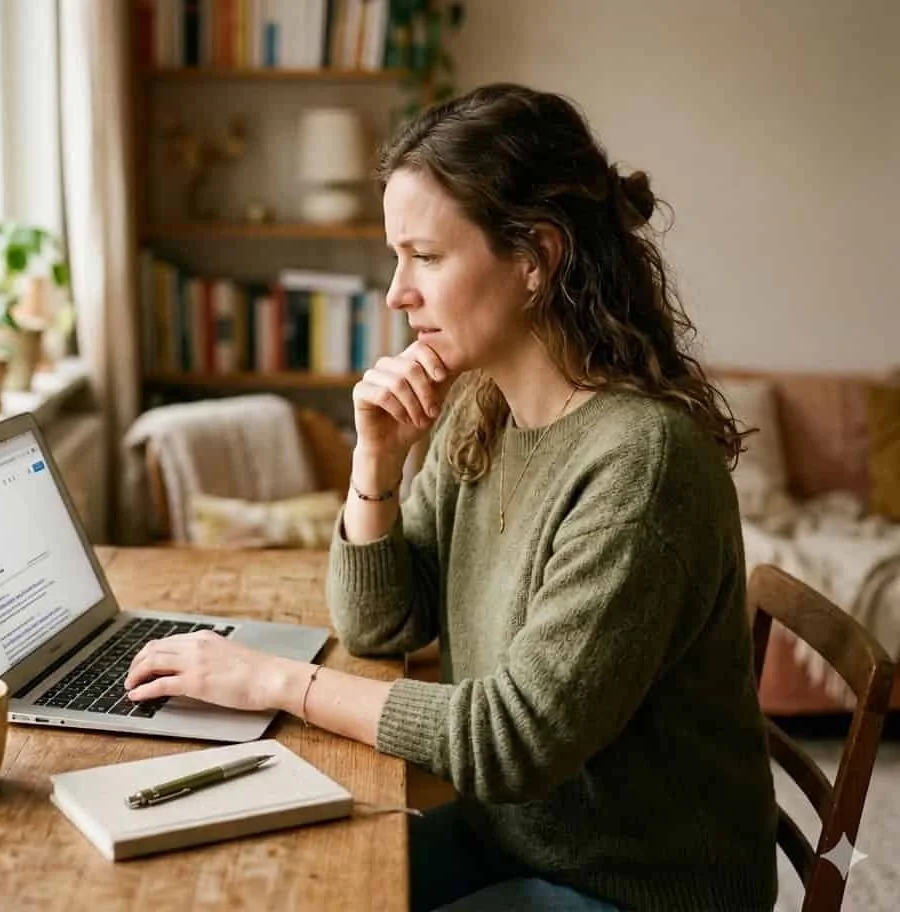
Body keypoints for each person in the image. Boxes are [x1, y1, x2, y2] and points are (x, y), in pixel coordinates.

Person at [125, 82, 779, 911]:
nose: (397, 291)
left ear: (535, 258)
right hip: (509, 838)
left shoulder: (640, 466)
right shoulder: (488, 407)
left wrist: (272, 681)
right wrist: (376, 465)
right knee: (276, 887)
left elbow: (509, 741)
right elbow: (384, 621)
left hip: (634, 887)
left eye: (425, 257)